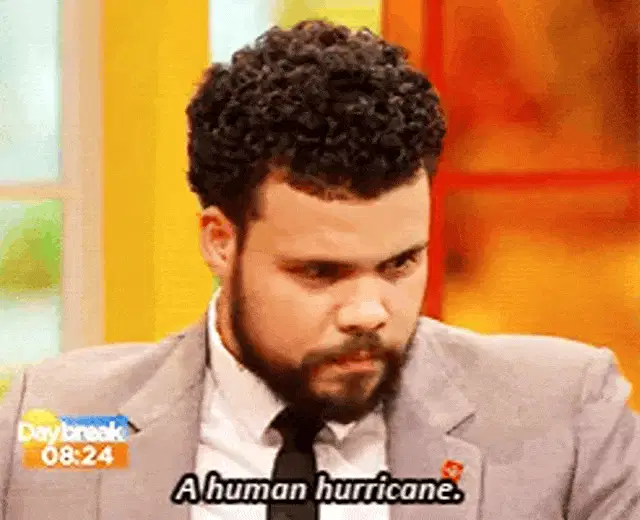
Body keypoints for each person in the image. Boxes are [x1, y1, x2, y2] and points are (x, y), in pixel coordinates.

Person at [0, 19, 638, 520]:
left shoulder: (566, 418)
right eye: (320, 272)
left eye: (400, 263)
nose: (369, 312)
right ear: (221, 243)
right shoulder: (61, 423)